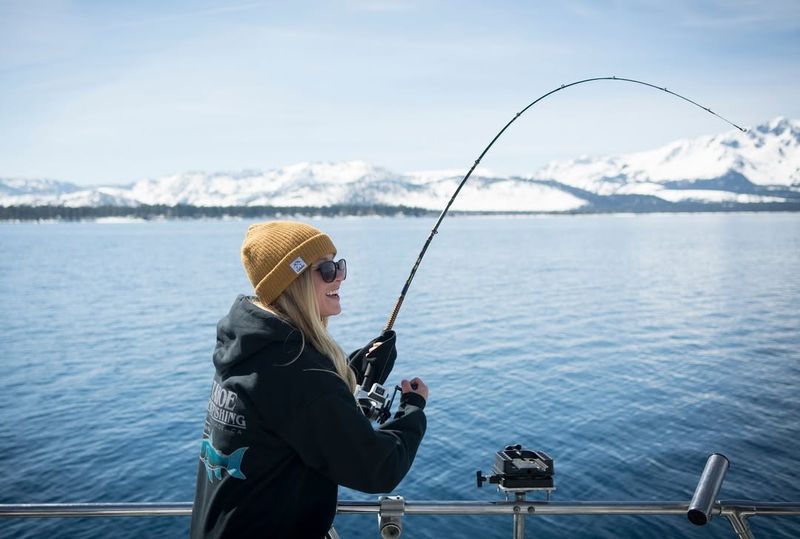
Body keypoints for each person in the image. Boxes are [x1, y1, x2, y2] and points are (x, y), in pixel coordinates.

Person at [190, 221, 428, 539]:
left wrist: (355, 368)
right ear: (294, 281)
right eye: (327, 269)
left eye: (339, 264)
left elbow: (290, 409)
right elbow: (376, 467)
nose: (340, 275)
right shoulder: (300, 374)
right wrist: (412, 410)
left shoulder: (248, 347)